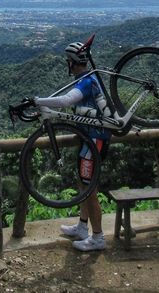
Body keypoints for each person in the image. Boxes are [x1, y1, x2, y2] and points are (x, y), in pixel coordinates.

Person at [33, 41, 112, 251]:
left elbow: (66, 101)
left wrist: (39, 100)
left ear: (72, 62)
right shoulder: (87, 78)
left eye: (68, 61)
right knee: (83, 184)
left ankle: (98, 237)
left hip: (95, 140)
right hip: (89, 140)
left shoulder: (86, 82)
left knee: (90, 190)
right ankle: (83, 227)